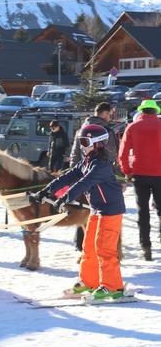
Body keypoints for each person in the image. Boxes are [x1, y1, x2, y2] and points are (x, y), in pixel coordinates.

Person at [36, 124, 127, 300]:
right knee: (89, 246)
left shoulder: (101, 165)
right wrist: (47, 190)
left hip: (111, 210)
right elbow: (69, 176)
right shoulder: (86, 161)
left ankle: (113, 287)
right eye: (81, 142)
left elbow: (84, 183)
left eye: (85, 142)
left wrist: (65, 198)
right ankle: (89, 281)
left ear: (98, 143)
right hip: (96, 209)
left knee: (104, 249)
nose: (82, 145)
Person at [118, 99, 161, 261]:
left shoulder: (132, 127)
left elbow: (122, 154)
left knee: (143, 212)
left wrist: (127, 172)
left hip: (140, 175)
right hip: (160, 175)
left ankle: (146, 248)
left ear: (142, 112)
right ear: (155, 111)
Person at [71, 102, 120, 169]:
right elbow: (111, 153)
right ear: (105, 113)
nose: (110, 118)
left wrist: (74, 171)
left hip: (83, 171)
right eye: (110, 115)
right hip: (102, 172)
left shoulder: (81, 131)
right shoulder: (106, 132)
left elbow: (75, 154)